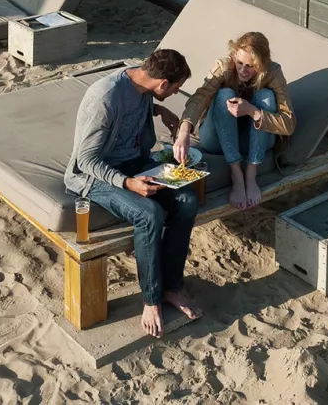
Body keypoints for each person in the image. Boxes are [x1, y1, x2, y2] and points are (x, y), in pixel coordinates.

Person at [63, 48, 199, 338]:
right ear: (162, 83)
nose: (175, 92)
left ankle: (173, 288)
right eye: (175, 88)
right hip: (96, 176)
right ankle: (151, 300)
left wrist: (158, 110)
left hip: (136, 162)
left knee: (187, 199)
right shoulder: (106, 97)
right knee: (150, 214)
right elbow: (85, 161)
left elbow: (133, 107)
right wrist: (127, 183)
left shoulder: (143, 79)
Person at [173, 32, 296, 210]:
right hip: (218, 140)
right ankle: (237, 175)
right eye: (239, 63)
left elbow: (289, 124)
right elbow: (200, 98)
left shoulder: (273, 72)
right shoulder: (224, 67)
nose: (243, 71)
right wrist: (184, 132)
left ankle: (251, 174)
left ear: (262, 65)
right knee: (224, 94)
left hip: (253, 142)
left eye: (250, 66)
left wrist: (253, 111)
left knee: (266, 96)